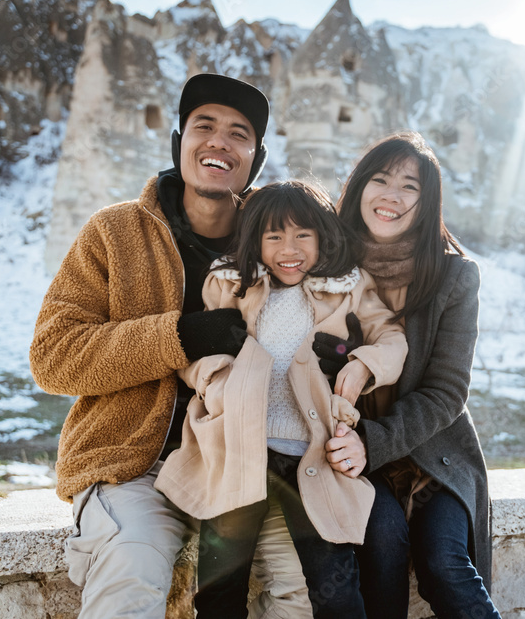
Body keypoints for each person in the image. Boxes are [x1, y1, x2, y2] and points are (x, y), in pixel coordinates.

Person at [29, 73, 269, 618]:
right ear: (178, 142)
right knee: (131, 566)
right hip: (134, 469)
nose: (219, 142)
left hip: (248, 468)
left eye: (239, 133)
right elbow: (53, 357)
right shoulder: (114, 232)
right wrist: (180, 337)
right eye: (203, 126)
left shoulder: (279, 240)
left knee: (309, 578)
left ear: (255, 158)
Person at [154, 180, 408, 618]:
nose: (289, 249)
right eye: (274, 236)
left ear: (322, 237)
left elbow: (392, 337)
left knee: (335, 584)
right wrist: (216, 380)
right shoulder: (230, 284)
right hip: (237, 448)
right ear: (255, 241)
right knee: (219, 587)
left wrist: (363, 364)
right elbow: (195, 353)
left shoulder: (346, 288)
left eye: (303, 235)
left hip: (313, 453)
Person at [318, 132, 501, 618]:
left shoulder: (454, 277)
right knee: (382, 539)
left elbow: (447, 392)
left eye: (409, 187)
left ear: (427, 202)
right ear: (359, 187)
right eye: (380, 180)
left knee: (444, 562)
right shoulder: (324, 263)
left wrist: (372, 441)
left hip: (432, 456)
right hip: (350, 454)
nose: (391, 196)